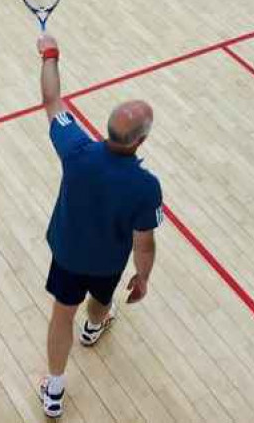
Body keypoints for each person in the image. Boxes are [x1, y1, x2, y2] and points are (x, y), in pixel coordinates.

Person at [35, 33, 163, 418]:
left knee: (62, 315)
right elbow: (144, 245)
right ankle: (94, 328)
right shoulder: (146, 186)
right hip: (109, 263)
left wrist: (50, 55)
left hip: (68, 256)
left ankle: (54, 390)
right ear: (140, 141)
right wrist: (142, 278)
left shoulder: (75, 148)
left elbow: (51, 101)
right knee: (102, 298)